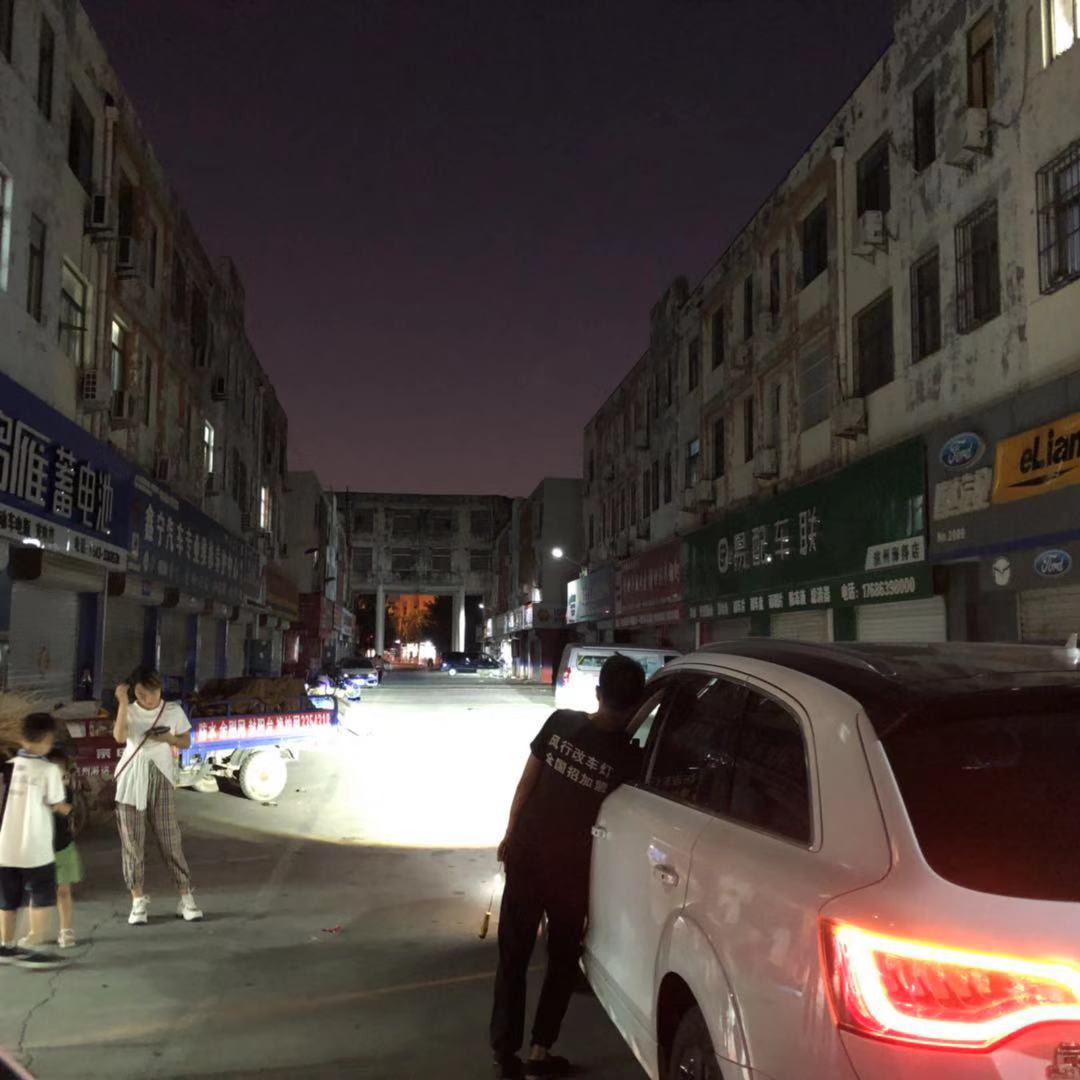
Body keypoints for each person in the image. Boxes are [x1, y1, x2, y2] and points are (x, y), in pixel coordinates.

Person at [489, 654, 646, 1079]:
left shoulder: (560, 723)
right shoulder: (629, 759)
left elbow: (527, 782)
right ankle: (540, 1053)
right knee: (561, 961)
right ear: (636, 705)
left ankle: (505, 1056)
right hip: (571, 873)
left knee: (513, 957)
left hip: (526, 856)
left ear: (597, 693)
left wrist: (510, 832)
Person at [113, 667, 203, 926]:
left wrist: (168, 738)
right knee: (132, 843)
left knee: (170, 839)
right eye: (141, 694)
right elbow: (119, 737)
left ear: (160, 689)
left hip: (162, 776)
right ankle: (137, 901)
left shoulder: (173, 711)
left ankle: (186, 897)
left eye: (152, 693)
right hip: (131, 778)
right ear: (134, 691)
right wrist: (122, 702)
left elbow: (185, 742)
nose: (148, 699)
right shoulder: (129, 710)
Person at [0, 712, 71, 969]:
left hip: (6, 848)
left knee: (7, 900)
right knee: (41, 897)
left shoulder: (9, 767)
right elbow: (57, 804)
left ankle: (5, 946)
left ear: (21, 738)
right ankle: (35, 949)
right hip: (36, 849)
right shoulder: (49, 770)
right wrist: (66, 808)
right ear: (48, 740)